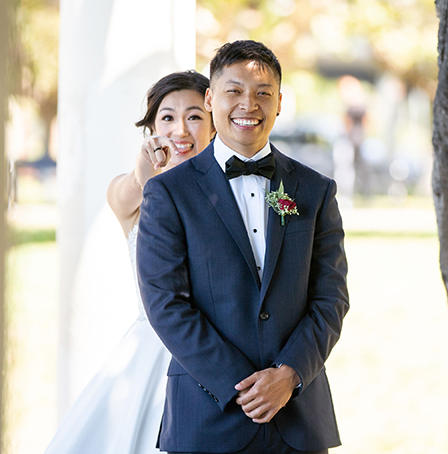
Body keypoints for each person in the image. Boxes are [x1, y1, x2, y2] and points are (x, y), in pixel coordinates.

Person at [137, 40, 349, 454]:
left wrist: (289, 374)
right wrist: (244, 386)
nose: (248, 105)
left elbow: (331, 296)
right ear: (211, 98)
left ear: (280, 103)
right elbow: (165, 303)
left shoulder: (315, 190)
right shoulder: (168, 193)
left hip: (299, 418)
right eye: (234, 91)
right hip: (207, 414)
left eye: (263, 93)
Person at [44, 70, 215, 454]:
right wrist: (145, 170)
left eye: (194, 116)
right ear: (152, 128)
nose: (181, 129)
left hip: (215, 349)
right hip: (151, 350)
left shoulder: (230, 193)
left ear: (213, 125)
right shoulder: (133, 191)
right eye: (167, 117)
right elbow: (128, 191)